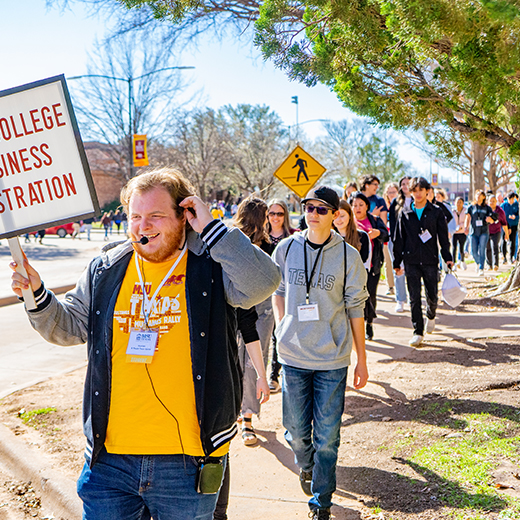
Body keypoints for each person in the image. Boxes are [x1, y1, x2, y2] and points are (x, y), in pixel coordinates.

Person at [10, 168, 281, 520]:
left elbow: (264, 282)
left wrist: (214, 228)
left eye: (155, 215)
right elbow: (68, 327)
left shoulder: (211, 266)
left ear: (185, 216)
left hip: (187, 464)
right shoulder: (106, 267)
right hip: (109, 464)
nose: (143, 225)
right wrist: (36, 294)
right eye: (135, 216)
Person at [272, 185, 368, 520]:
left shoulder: (348, 256)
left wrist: (362, 360)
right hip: (293, 355)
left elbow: (357, 309)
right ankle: (307, 466)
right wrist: (283, 326)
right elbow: (279, 289)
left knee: (327, 436)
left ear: (335, 214)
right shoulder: (286, 249)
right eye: (309, 207)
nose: (313, 214)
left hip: (332, 359)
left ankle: (321, 502)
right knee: (297, 432)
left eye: (321, 209)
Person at [233, 197, 276, 445]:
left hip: (263, 310)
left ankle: (247, 416)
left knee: (253, 362)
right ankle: (238, 409)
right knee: (235, 360)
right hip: (236, 307)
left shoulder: (271, 248)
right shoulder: (233, 244)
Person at [393, 177, 453, 347]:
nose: (417, 194)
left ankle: (431, 315)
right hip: (410, 260)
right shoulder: (404, 213)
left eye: (421, 190)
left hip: (430, 260)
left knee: (432, 295)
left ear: (427, 191)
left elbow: (443, 237)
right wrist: (397, 262)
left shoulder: (436, 211)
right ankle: (417, 331)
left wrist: (447, 257)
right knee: (414, 297)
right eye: (414, 190)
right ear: (410, 192)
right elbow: (398, 239)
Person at [266, 199, 298, 393]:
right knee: (267, 335)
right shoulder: (261, 238)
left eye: (280, 213)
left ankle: (275, 374)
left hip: (288, 292)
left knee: (282, 331)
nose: (276, 217)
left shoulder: (294, 237)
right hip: (264, 294)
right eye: (272, 213)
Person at [350, 191, 388, 340]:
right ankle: (356, 327)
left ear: (367, 206)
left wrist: (378, 233)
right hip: (353, 268)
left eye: (361, 205)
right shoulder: (348, 222)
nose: (358, 208)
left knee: (370, 295)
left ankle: (369, 323)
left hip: (373, 265)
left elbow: (386, 234)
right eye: (354, 205)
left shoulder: (374, 220)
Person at [388, 176, 412, 313]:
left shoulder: (417, 201)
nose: (405, 186)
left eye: (408, 183)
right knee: (398, 270)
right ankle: (400, 300)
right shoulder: (395, 202)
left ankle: (413, 297)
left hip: (413, 242)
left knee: (412, 270)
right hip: (397, 241)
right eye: (403, 184)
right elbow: (392, 223)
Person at [464, 190, 496, 276]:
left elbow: (493, 219)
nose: (478, 196)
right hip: (473, 232)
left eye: (480, 195)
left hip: (484, 231)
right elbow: (467, 217)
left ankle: (481, 268)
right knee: (474, 251)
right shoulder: (471, 207)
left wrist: (491, 220)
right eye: (477, 194)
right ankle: (478, 262)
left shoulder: (487, 208)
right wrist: (465, 227)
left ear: (484, 197)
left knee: (482, 249)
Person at [333, 199, 371, 269]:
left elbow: (364, 263)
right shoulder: (328, 238)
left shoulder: (362, 236)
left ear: (350, 215)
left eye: (342, 216)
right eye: (335, 216)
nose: (338, 220)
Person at [382, 182, 399, 296]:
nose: (391, 194)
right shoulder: (384, 207)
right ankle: (391, 286)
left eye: (393, 192)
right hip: (386, 238)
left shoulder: (400, 206)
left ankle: (402, 287)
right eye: (389, 192)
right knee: (388, 262)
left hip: (399, 238)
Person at [486, 194, 508, 271]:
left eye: (493, 201)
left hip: (496, 231)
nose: (492, 203)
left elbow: (504, 223)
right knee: (487, 248)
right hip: (486, 232)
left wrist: (506, 234)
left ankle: (495, 264)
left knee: (494, 246)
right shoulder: (485, 210)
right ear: (487, 202)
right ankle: (489, 264)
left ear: (496, 202)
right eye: (490, 201)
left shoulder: (500, 211)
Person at [501, 192, 519, 264]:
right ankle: (504, 257)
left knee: (513, 242)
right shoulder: (503, 205)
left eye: (512, 199)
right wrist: (507, 227)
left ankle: (511, 257)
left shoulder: (516, 205)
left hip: (514, 225)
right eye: (509, 199)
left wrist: (515, 217)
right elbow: (501, 216)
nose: (511, 201)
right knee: (504, 241)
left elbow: (518, 215)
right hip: (505, 225)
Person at [451, 197, 468, 270]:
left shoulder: (465, 211)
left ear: (463, 203)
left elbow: (467, 220)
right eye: (457, 202)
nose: (459, 204)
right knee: (454, 248)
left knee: (461, 248)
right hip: (454, 232)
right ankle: (453, 263)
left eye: (460, 202)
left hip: (462, 232)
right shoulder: (452, 211)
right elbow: (451, 221)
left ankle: (462, 261)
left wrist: (461, 227)